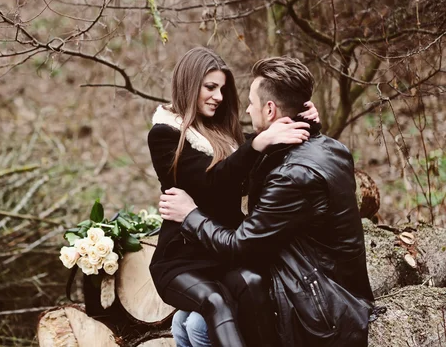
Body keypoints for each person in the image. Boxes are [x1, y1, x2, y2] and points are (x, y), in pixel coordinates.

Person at [158, 56, 375, 347]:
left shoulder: (292, 175)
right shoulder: (330, 148)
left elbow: (240, 246)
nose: (244, 108)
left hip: (320, 304)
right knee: (181, 320)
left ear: (270, 109)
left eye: (251, 102)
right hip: (323, 284)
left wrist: (190, 214)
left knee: (197, 324)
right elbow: (240, 160)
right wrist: (305, 123)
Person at [148, 48, 319, 347]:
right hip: (182, 260)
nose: (218, 96)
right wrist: (257, 144)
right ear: (189, 84)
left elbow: (256, 173)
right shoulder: (165, 134)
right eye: (210, 87)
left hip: (225, 249)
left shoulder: (224, 132)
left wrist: (304, 122)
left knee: (252, 285)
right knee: (214, 304)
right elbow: (208, 183)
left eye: (223, 89)